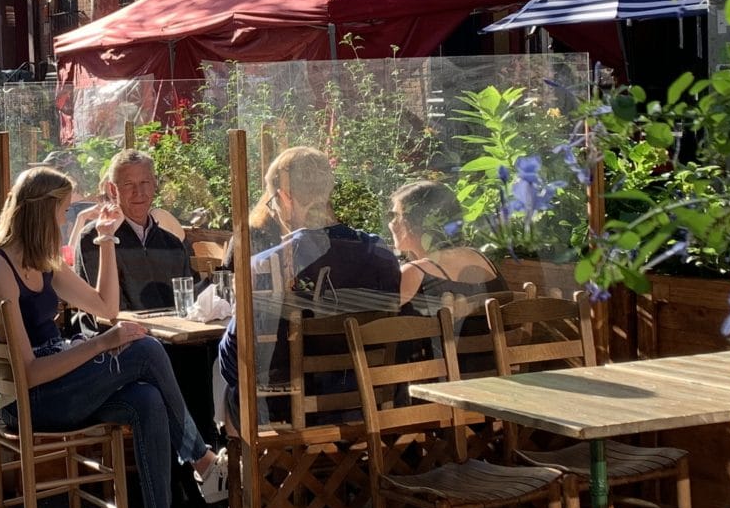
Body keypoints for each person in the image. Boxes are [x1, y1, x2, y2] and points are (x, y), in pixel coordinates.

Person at [0, 165, 226, 508]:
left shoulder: (43, 263)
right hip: (30, 399)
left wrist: (107, 240)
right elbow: (28, 372)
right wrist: (100, 345)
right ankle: (202, 462)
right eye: (63, 212)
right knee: (144, 349)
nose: (66, 222)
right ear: (41, 212)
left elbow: (106, 307)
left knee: (146, 399)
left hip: (64, 383)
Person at [218, 146, 403, 410]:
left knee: (233, 393)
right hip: (371, 402)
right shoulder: (379, 252)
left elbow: (235, 360)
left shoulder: (267, 264)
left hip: (296, 410)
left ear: (285, 198)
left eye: (273, 204)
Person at [77, 149, 192, 313]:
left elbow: (191, 300)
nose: (138, 192)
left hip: (174, 334)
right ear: (112, 189)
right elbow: (104, 313)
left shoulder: (172, 245)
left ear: (155, 184)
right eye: (128, 184)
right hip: (119, 335)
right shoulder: (95, 238)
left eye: (145, 183)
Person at [388, 180, 503, 314]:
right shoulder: (480, 257)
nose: (391, 223)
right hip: (503, 334)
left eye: (397, 216)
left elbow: (381, 319)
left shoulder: (415, 272)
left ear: (417, 222)